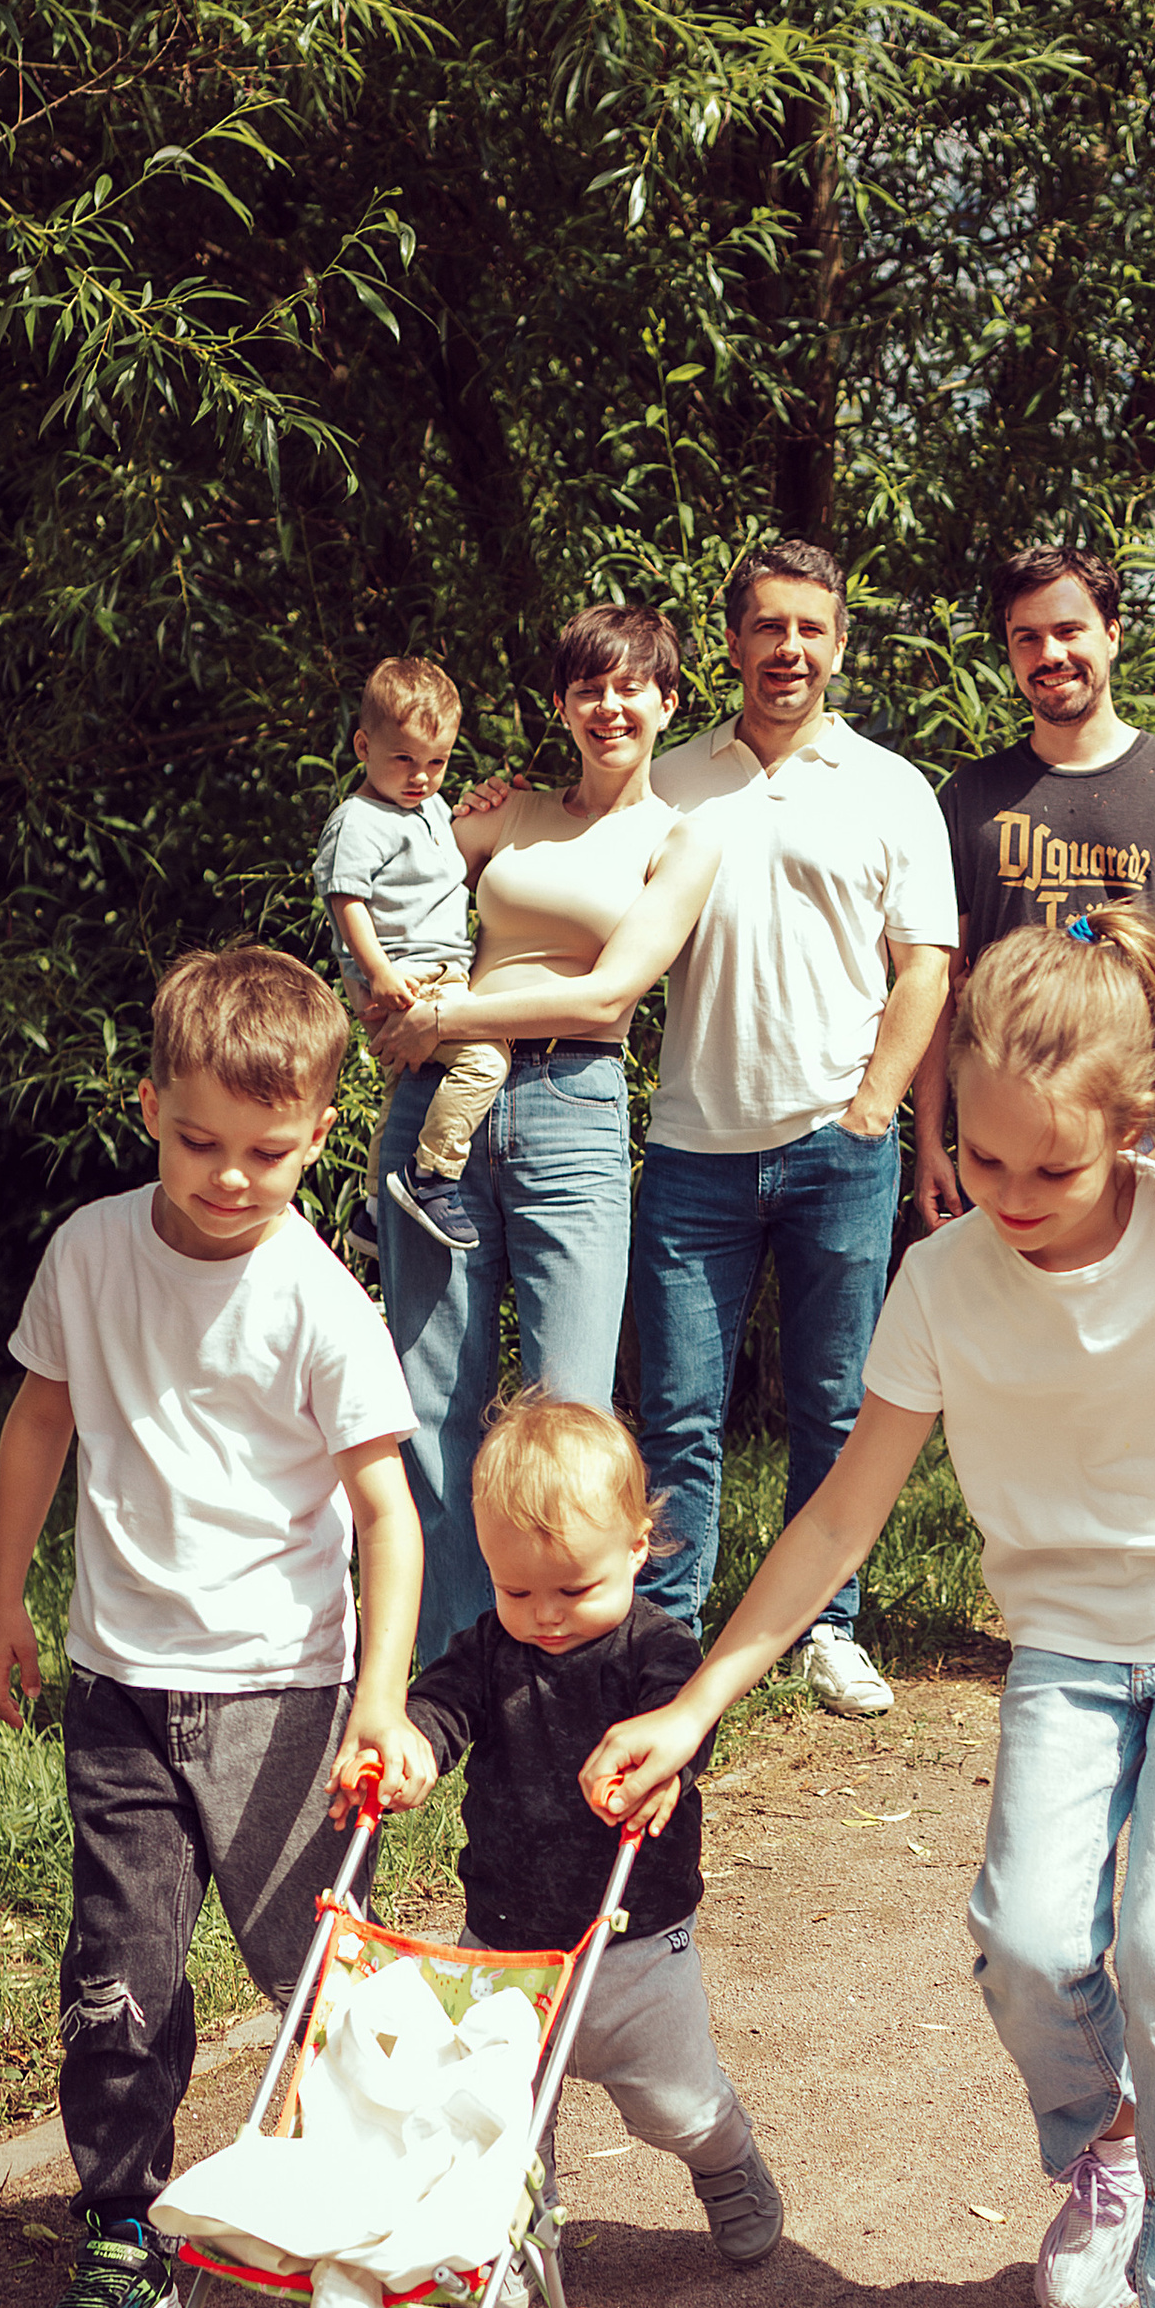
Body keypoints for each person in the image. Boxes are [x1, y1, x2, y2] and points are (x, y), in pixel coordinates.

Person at [583, 907, 1155, 2308]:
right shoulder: (945, 1281)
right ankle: (1110, 2139)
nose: (1011, 1197)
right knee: (1027, 1939)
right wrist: (696, 1702)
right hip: (1073, 1644)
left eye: (1052, 1168)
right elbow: (837, 1516)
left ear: (1133, 1128)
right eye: (984, 1157)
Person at [0, 942, 434, 2308]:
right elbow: (39, 1424)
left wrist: (376, 1695)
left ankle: (373, 2236)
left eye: (268, 1152)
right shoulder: (90, 1253)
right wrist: (5, 1599)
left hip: (287, 1697)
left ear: (316, 1135)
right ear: (147, 1105)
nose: (230, 1177)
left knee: (318, 1978)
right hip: (118, 1688)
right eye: (198, 1143)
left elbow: (387, 1517)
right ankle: (122, 2233)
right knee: (118, 1972)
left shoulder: (318, 1300)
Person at [632, 537, 958, 1720]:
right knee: (678, 1410)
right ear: (731, 642)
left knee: (835, 1405)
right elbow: (571, 879)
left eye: (811, 629)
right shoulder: (669, 781)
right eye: (768, 627)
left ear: (837, 643)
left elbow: (926, 965)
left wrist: (874, 1106)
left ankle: (826, 1626)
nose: (790, 649)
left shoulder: (890, 787)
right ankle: (663, 1635)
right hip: (690, 1151)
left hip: (838, 1146)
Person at [370, 603, 722, 1666]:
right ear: (560, 705)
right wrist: (390, 1000)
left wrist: (450, 1015)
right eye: (587, 688)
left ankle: (574, 1674)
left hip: (570, 1110)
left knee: (569, 1414)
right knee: (434, 1405)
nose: (608, 706)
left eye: (631, 687)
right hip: (438, 1110)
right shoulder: (506, 812)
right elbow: (388, 866)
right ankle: (447, 1677)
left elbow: (607, 996)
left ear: (666, 703)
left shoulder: (680, 839)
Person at [399, 1393, 783, 2265]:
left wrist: (670, 1765)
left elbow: (689, 1724)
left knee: (673, 2107)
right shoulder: (490, 1650)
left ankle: (724, 2156)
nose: (544, 1613)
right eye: (515, 1589)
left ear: (639, 1550)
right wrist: (417, 1745)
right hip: (505, 1938)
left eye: (575, 1587)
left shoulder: (656, 1651)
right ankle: (521, 2246)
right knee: (502, 2114)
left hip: (637, 1942)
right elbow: (442, 1703)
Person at [913, 542, 1155, 1228]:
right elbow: (938, 983)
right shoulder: (970, 796)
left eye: (1069, 630)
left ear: (1113, 634)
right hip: (1005, 1138)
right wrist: (932, 1142)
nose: (1050, 654)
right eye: (1026, 637)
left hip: (1150, 1127)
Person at [309, 654, 509, 1259]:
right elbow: (346, 901)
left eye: (437, 762)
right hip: (407, 973)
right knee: (486, 1060)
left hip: (441, 970)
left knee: (406, 1085)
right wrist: (377, 973)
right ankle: (433, 1177)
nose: (421, 775)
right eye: (404, 759)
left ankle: (371, 1210)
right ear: (363, 745)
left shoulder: (431, 810)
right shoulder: (359, 820)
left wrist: (498, 805)